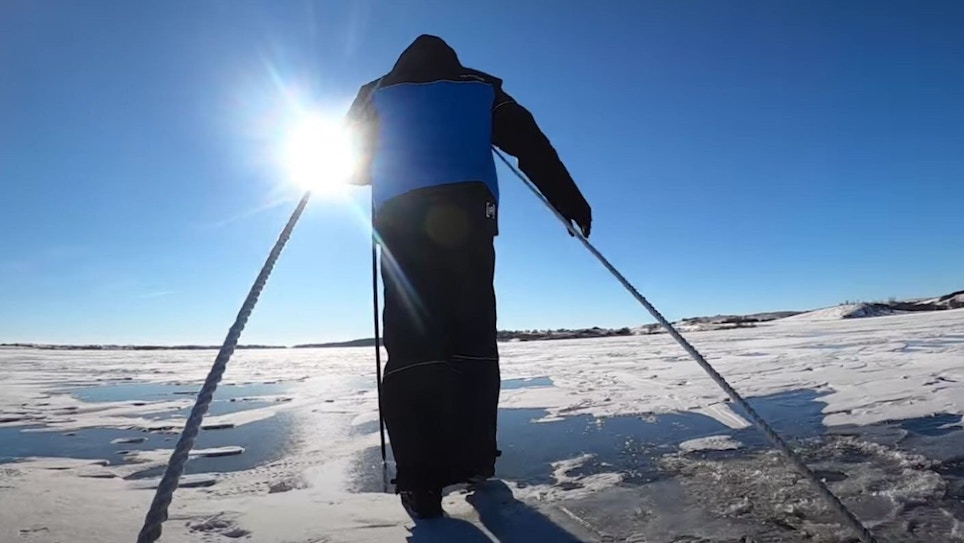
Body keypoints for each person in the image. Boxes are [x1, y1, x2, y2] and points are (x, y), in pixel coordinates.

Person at [345, 34, 592, 518]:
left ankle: (421, 483)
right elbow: (531, 143)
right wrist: (568, 201)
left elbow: (353, 168)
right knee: (473, 336)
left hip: (400, 218)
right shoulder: (481, 87)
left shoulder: (375, 91)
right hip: (470, 215)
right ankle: (476, 462)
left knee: (413, 345)